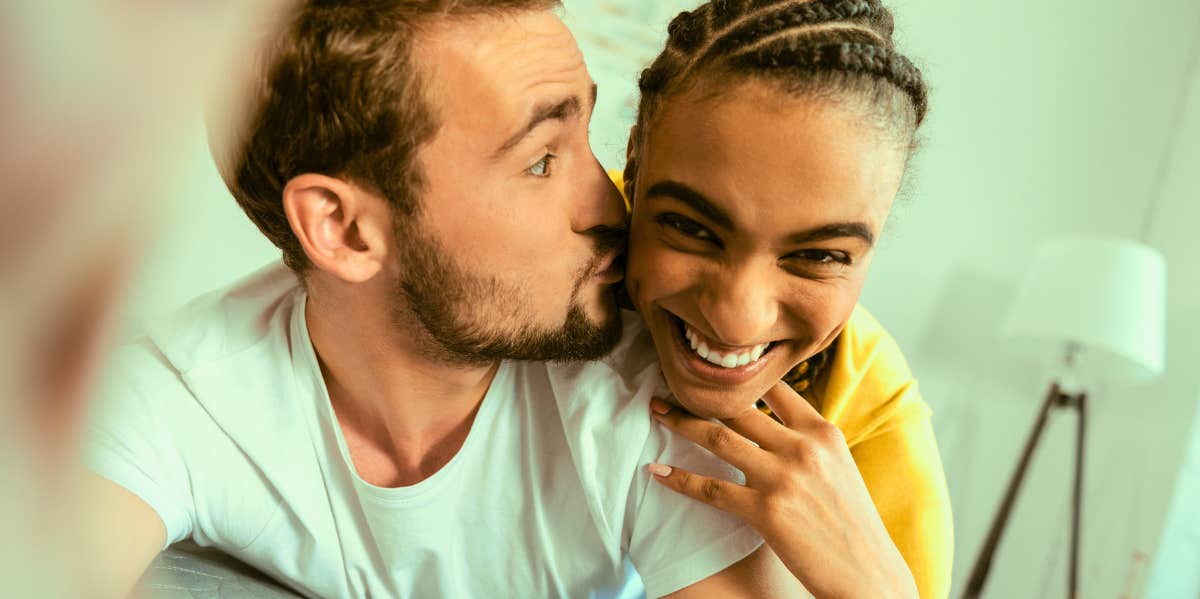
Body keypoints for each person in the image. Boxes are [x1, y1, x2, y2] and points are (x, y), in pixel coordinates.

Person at [82, 1, 807, 597]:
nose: (611, 204)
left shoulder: (649, 406)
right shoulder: (183, 396)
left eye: (588, 133)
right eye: (542, 160)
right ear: (343, 228)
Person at [610, 0, 954, 597]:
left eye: (819, 255)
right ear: (635, 160)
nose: (736, 316)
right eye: (691, 228)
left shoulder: (874, 423)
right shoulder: (535, 263)